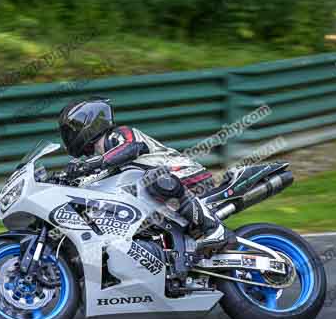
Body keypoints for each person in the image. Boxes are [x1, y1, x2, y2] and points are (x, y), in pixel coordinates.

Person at [57, 97, 235, 279]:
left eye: (71, 131)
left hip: (183, 176)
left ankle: (214, 229)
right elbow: (95, 181)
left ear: (88, 123)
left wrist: (90, 165)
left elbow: (132, 148)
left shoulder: (118, 135)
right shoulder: (100, 157)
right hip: (159, 199)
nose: (68, 136)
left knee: (156, 180)